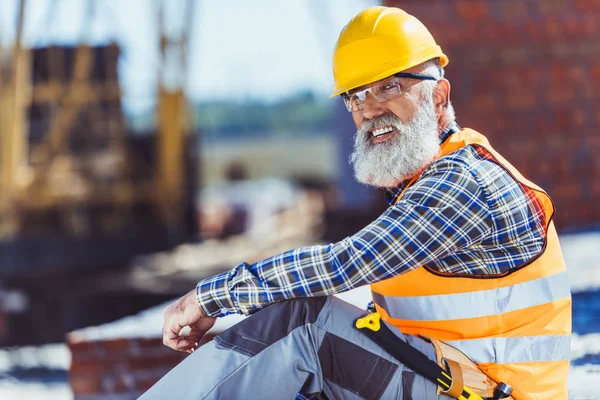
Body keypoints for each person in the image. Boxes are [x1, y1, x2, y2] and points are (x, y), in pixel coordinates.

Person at [141, 6, 571, 400]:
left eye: (389, 87)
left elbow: (343, 266)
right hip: (454, 382)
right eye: (356, 97)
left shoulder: (463, 184)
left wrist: (210, 297)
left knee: (303, 324)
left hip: (490, 392)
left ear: (438, 98)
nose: (370, 110)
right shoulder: (423, 181)